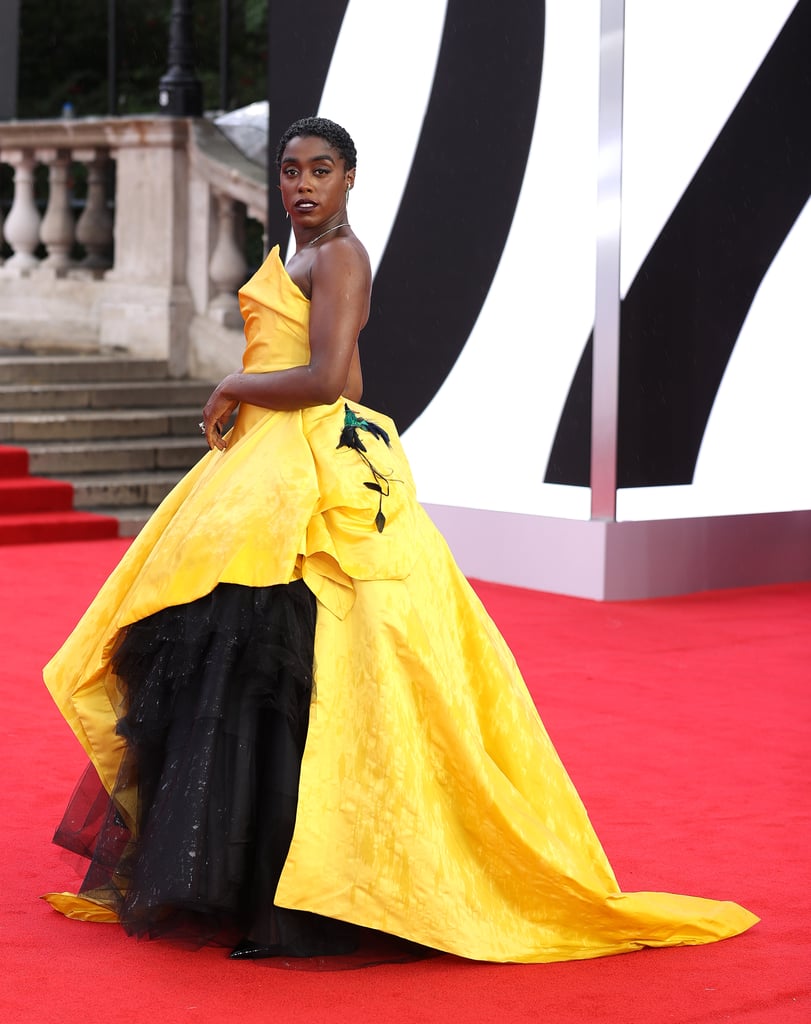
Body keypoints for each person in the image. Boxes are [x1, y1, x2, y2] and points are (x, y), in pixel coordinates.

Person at [43, 117, 758, 963]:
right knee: (243, 667)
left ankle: (312, 898)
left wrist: (233, 380)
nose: (302, 185)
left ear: (350, 179)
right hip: (270, 473)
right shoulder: (305, 252)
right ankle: (252, 885)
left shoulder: (340, 256)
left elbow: (328, 377)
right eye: (289, 171)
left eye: (321, 171)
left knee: (307, 666)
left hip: (316, 467)